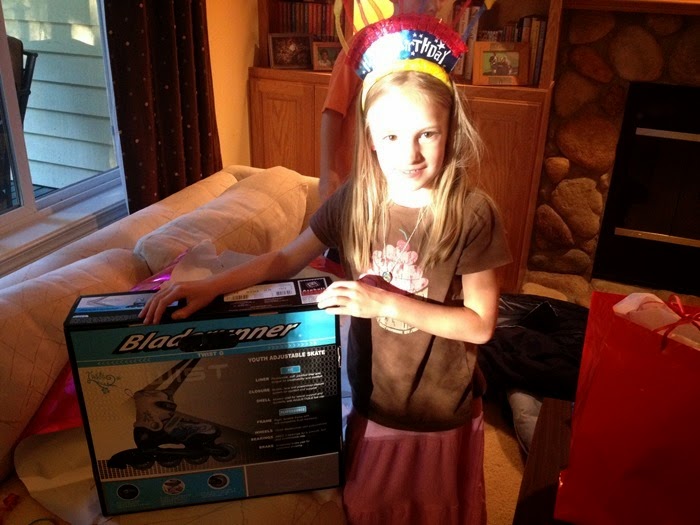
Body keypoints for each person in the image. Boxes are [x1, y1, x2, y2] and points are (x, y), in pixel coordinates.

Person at [141, 13, 511, 524]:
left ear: (451, 129)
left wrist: (381, 301)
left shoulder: (473, 212)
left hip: (438, 407)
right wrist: (211, 285)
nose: (410, 154)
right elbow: (283, 259)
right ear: (369, 136)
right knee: (367, 507)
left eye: (427, 133)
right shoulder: (355, 200)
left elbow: (481, 324)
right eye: (391, 136)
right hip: (372, 396)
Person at [319, 0, 456, 201]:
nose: (434, 6)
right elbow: (333, 112)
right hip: (362, 180)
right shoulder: (363, 47)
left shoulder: (437, 51)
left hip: (415, 182)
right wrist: (327, 172)